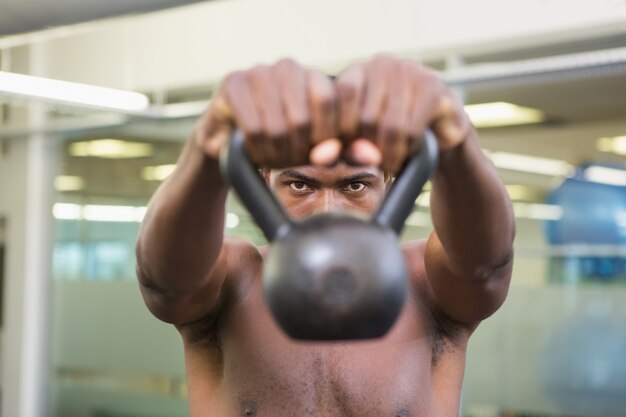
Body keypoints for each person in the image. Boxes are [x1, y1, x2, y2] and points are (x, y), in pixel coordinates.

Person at [135, 55, 515, 417]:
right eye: (300, 185)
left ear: (388, 181)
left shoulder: (425, 282)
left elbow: (487, 267)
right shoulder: (235, 278)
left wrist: (455, 141)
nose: (326, 212)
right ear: (265, 179)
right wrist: (209, 145)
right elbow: (163, 282)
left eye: (355, 186)